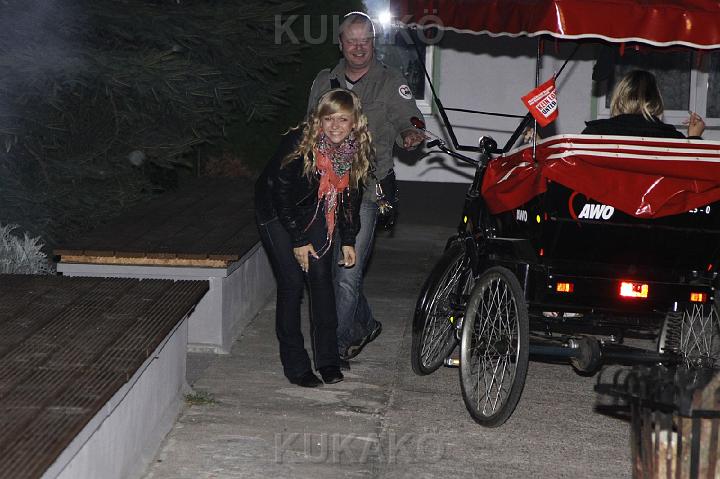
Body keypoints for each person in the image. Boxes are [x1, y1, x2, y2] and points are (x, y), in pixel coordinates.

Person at [307, 11, 425, 366]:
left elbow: (409, 118)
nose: (359, 48)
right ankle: (366, 324)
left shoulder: (390, 81)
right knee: (329, 271)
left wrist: (411, 133)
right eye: (352, 41)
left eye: (366, 41)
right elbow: (308, 128)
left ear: (374, 43)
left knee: (347, 273)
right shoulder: (324, 80)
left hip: (368, 190)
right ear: (341, 44)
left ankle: (336, 347)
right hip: (327, 189)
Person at [255, 89, 372, 387]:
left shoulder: (354, 150)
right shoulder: (300, 143)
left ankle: (328, 360)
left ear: (354, 122)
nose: (335, 126)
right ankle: (296, 365)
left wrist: (348, 239)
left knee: (321, 279)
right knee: (292, 283)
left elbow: (350, 198)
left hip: (316, 209)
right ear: (318, 120)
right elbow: (281, 193)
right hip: (276, 209)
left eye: (342, 119)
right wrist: (297, 240)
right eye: (328, 118)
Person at [582, 70, 705, 138]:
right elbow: (692, 172)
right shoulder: (673, 138)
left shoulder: (594, 133)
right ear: (656, 100)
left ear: (619, 98)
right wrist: (694, 138)